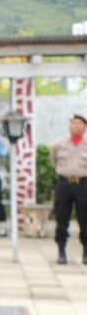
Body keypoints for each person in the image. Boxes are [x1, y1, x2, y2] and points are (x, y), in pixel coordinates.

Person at [50, 113, 87, 265]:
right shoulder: (58, 144)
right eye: (74, 123)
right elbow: (54, 161)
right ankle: (61, 251)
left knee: (85, 219)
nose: (76, 126)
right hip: (64, 184)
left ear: (85, 127)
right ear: (69, 126)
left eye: (80, 123)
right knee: (61, 218)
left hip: (83, 185)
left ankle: (85, 252)